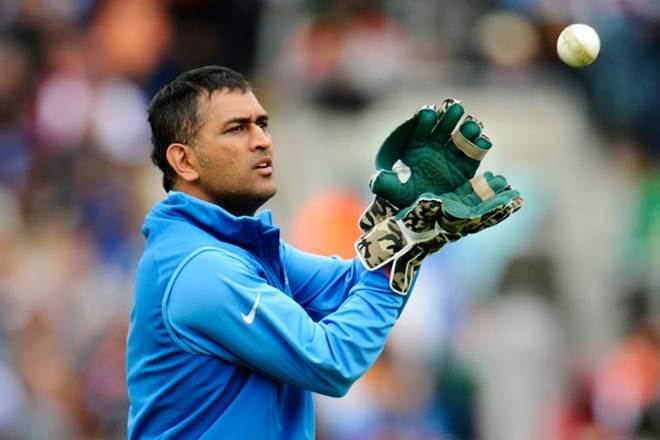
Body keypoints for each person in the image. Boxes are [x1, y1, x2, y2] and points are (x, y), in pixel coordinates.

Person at [126, 65, 521, 439]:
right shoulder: (201, 270)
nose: (262, 140)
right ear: (184, 160)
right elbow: (330, 361)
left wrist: (398, 224)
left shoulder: (235, 250)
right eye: (237, 128)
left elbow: (349, 286)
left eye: (262, 124)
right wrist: (402, 246)